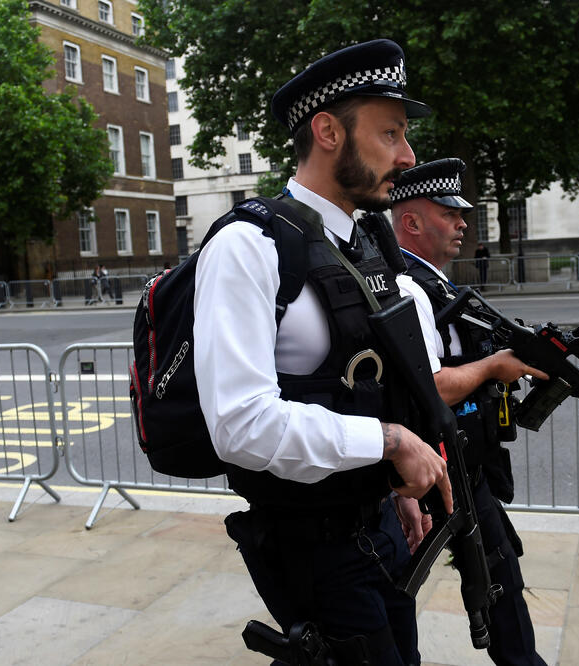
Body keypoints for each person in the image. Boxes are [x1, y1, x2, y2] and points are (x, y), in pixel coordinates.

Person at [194, 40, 452, 665]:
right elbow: (240, 425)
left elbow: (359, 385)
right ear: (329, 131)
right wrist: (391, 442)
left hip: (380, 523)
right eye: (390, 133)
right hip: (312, 546)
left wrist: (391, 486)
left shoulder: (361, 244)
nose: (407, 156)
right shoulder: (248, 246)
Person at [390, 158, 549, 665]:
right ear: (411, 222)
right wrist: (492, 367)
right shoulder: (405, 286)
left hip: (460, 462)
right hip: (438, 467)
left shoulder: (434, 283)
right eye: (449, 213)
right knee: (488, 578)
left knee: (498, 573)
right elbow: (431, 387)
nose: (462, 223)